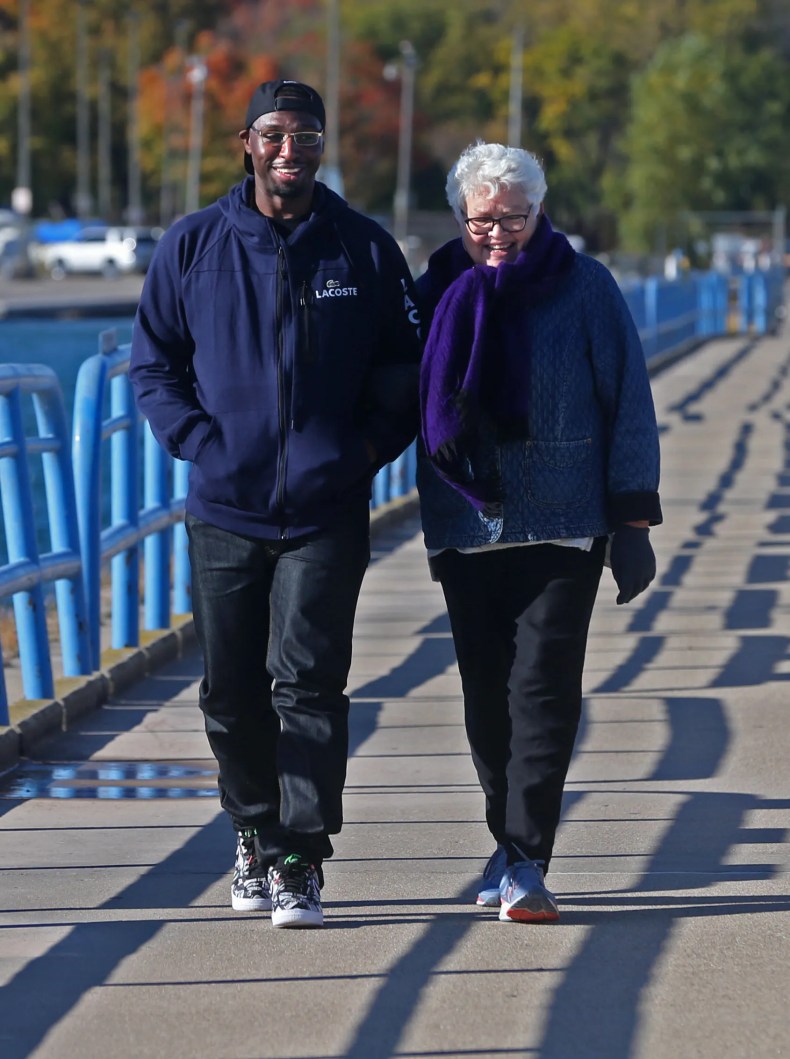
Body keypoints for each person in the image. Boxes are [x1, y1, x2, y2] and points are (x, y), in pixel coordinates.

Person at [129, 79, 421, 928]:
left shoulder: (363, 250)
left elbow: (406, 370)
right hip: (225, 507)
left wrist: (362, 451)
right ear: (247, 143)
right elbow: (155, 365)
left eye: (308, 136)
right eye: (276, 134)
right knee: (229, 691)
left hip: (327, 510)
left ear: (324, 147)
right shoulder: (192, 248)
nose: (292, 149)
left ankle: (299, 856)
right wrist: (200, 443)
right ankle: (252, 833)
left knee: (311, 685)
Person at [416, 142, 661, 923]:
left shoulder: (585, 287)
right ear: (460, 217)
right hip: (466, 521)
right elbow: (397, 388)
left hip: (564, 522)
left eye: (513, 218)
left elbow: (629, 401)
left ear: (538, 212)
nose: (497, 234)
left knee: (543, 691)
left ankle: (528, 857)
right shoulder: (436, 287)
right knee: (486, 696)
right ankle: (506, 836)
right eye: (482, 219)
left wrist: (632, 520)